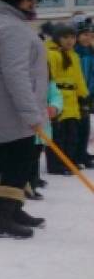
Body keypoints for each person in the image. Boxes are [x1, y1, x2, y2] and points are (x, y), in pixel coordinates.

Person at [0, 0, 49, 239]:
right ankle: (2, 219)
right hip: (12, 107)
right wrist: (31, 112)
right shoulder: (10, 28)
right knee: (18, 161)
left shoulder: (8, 22)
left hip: (10, 105)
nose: (34, 3)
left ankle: (14, 208)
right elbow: (15, 74)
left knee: (20, 159)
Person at [42, 22, 89, 173]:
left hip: (72, 101)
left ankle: (69, 161)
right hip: (58, 99)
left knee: (72, 134)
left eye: (72, 37)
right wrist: (50, 99)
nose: (70, 40)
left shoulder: (74, 55)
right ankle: (56, 164)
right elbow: (50, 78)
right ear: (57, 38)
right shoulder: (51, 54)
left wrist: (83, 96)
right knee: (58, 135)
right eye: (65, 37)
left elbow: (79, 78)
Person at [73, 14, 94, 166]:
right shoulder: (75, 53)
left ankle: (82, 152)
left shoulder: (90, 53)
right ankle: (75, 154)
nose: (88, 38)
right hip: (75, 95)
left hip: (88, 93)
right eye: (85, 34)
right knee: (76, 126)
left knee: (86, 125)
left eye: (91, 35)